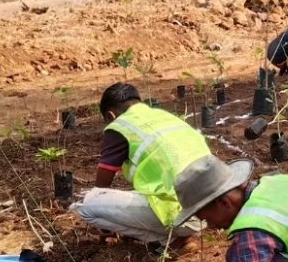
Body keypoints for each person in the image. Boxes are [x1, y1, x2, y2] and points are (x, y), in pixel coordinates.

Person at [70, 82, 210, 247]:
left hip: (176, 213)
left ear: (110, 116)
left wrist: (106, 226)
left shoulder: (120, 126)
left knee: (85, 204)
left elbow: (101, 187)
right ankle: (178, 234)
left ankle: (172, 239)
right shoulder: (164, 116)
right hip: (209, 209)